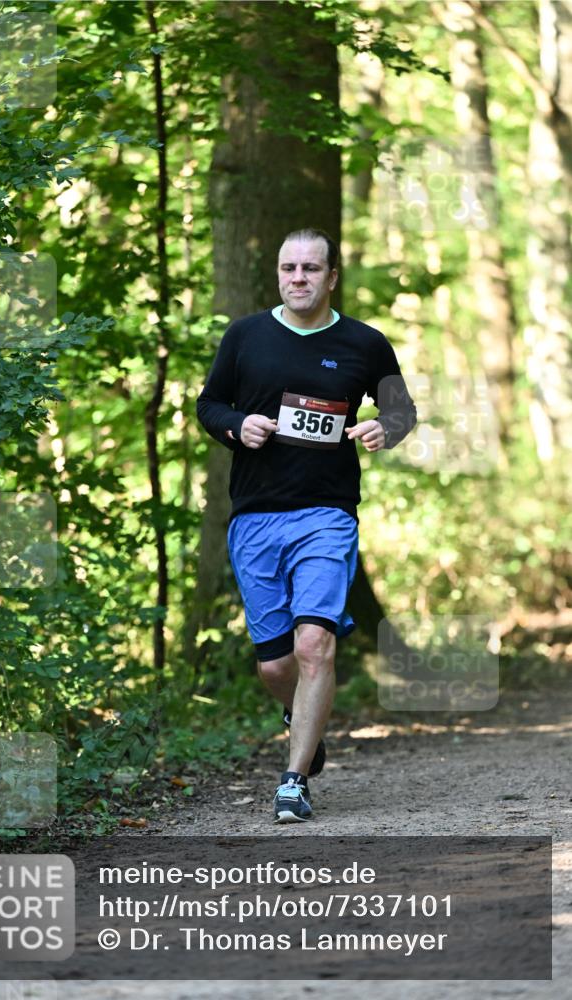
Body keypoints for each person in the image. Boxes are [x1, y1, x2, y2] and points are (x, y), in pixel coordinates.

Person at [196, 228, 417, 823]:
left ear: (332, 277)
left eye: (311, 269)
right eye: (289, 267)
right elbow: (208, 405)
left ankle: (293, 781)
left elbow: (401, 409)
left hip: (327, 514)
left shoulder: (365, 344)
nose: (299, 278)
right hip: (256, 517)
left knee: (314, 643)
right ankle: (304, 722)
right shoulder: (245, 336)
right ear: (277, 274)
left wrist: (384, 428)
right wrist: (236, 426)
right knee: (275, 665)